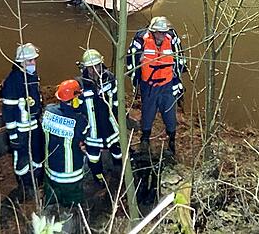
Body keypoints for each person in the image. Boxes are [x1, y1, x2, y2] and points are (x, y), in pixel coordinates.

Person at [127, 16, 186, 154]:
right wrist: (136, 84)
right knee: (147, 115)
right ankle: (145, 139)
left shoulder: (171, 40)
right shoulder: (141, 41)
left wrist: (178, 84)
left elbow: (180, 62)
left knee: (170, 116)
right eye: (159, 32)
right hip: (149, 87)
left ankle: (172, 140)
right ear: (152, 32)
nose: (162, 35)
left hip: (167, 85)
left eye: (164, 32)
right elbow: (131, 63)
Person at [1, 43, 44, 198]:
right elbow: (8, 111)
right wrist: (13, 135)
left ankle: (37, 181)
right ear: (20, 62)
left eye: (33, 60)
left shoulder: (32, 77)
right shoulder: (13, 82)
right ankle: (24, 186)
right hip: (21, 130)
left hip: (34, 126)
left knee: (37, 156)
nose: (33, 64)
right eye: (29, 61)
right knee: (22, 159)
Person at [41, 79, 89, 206]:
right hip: (71, 176)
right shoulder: (79, 120)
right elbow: (85, 142)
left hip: (50, 172)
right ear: (73, 100)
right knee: (72, 208)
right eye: (78, 96)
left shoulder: (48, 111)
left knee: (51, 206)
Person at [77, 49, 122, 183]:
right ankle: (98, 176)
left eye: (96, 66)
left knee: (116, 149)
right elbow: (78, 109)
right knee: (93, 156)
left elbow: (116, 102)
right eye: (90, 67)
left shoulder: (110, 79)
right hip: (92, 129)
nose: (93, 70)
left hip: (110, 125)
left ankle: (119, 170)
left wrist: (119, 119)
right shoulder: (80, 85)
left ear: (101, 64)